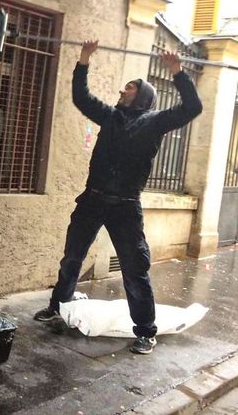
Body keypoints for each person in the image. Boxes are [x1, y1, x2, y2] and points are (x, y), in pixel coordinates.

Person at [33, 40, 203, 355]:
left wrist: (177, 72)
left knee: (134, 269)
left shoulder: (155, 123)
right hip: (93, 199)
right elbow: (81, 97)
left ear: (142, 96)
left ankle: (145, 332)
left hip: (126, 207)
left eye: (128, 88)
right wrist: (83, 60)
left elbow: (192, 108)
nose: (121, 92)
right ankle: (59, 305)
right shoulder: (110, 116)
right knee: (72, 257)